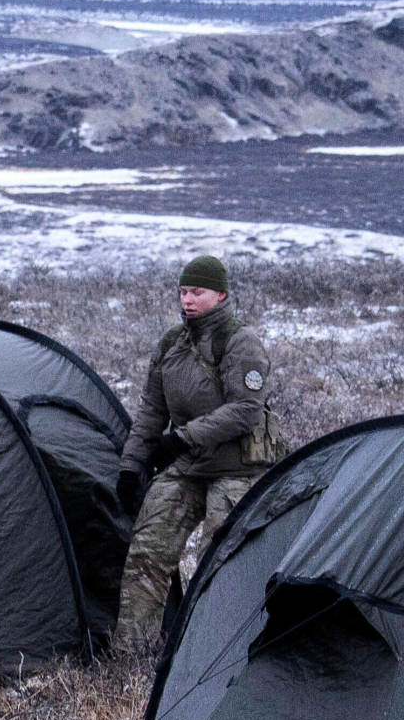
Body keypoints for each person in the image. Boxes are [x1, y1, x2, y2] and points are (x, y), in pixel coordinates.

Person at [114, 253, 285, 662]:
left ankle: (213, 655)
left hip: (239, 468)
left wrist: (181, 439)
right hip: (190, 466)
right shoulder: (172, 344)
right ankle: (128, 658)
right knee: (146, 553)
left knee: (218, 562)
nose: (188, 300)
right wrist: (130, 467)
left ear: (221, 294)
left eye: (198, 292)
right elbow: (151, 411)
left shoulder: (241, 343)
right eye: (183, 291)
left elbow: (245, 411)